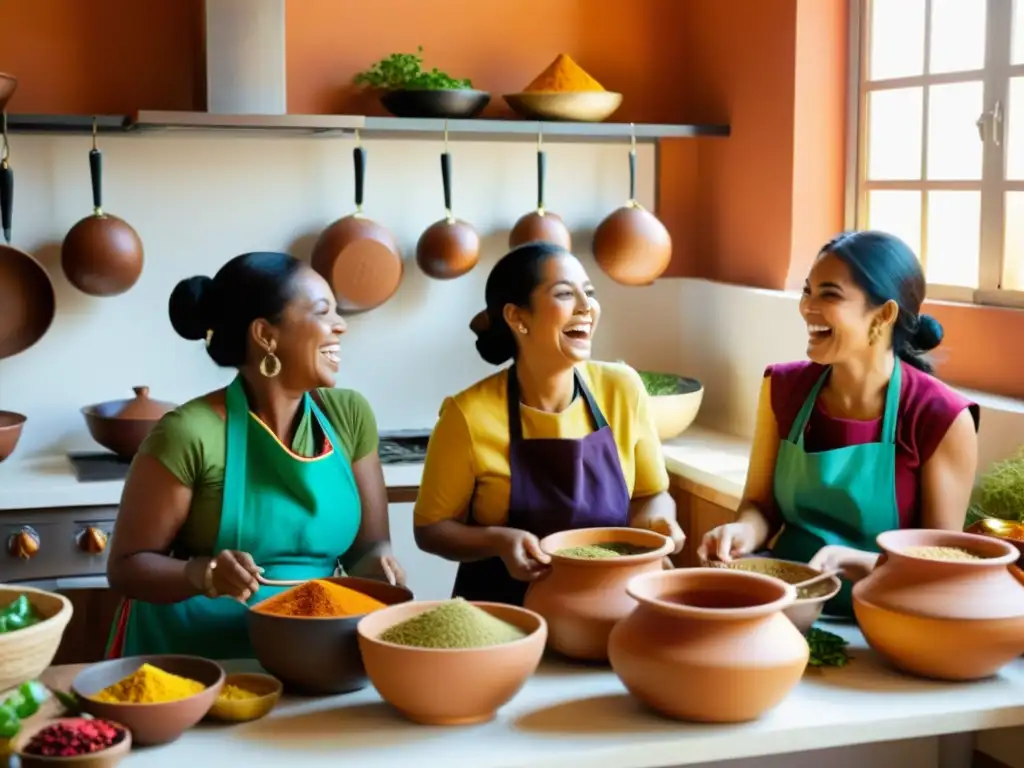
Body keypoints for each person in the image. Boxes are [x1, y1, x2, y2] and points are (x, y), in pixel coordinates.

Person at [105, 251, 405, 658]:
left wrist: (380, 563)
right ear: (266, 334)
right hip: (195, 658)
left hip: (310, 648)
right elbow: (126, 567)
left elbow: (367, 549)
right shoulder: (190, 434)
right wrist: (204, 573)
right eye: (323, 312)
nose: (341, 326)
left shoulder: (347, 416)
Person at [697, 231, 979, 616]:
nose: (807, 307)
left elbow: (940, 566)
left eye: (829, 294)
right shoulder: (782, 388)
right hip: (784, 610)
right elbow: (760, 506)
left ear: (883, 315)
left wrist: (856, 562)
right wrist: (743, 531)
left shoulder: (941, 416)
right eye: (807, 291)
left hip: (886, 621)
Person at [413, 241, 685, 605]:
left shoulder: (622, 388)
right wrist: (498, 540)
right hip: (502, 609)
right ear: (517, 317)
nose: (586, 307)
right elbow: (431, 529)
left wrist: (659, 525)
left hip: (606, 600)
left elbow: (651, 494)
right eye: (564, 294)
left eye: (589, 293)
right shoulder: (468, 414)